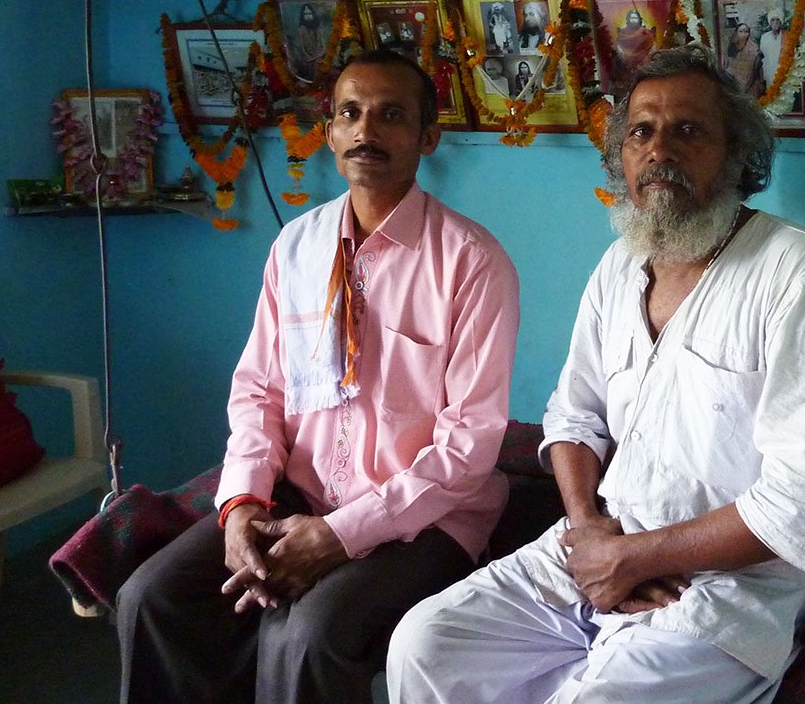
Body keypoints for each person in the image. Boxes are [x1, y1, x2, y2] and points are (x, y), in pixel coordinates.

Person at [389, 42, 805, 703]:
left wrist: (640, 558)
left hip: (728, 585)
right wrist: (591, 532)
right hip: (599, 544)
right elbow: (572, 416)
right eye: (641, 131)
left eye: (688, 130)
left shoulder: (797, 271)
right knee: (426, 642)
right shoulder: (621, 264)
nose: (659, 150)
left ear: (735, 154)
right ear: (620, 155)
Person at [116, 50, 520, 704]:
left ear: (427, 137)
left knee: (305, 634)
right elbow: (259, 390)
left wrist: (340, 535)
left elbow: (469, 447)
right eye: (351, 113)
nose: (367, 130)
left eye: (392, 115)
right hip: (300, 493)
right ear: (329, 131)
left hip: (425, 514)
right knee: (152, 597)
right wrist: (243, 503)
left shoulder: (472, 262)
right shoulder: (296, 246)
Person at [721, 22, 764, 98]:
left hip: (750, 87)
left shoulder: (754, 49)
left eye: (746, 31)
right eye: (741, 31)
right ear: (736, 33)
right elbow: (726, 66)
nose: (743, 34)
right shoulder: (731, 47)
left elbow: (757, 70)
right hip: (732, 84)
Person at [289, 2, 329, 83]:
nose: (308, 16)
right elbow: (302, 48)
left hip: (321, 57)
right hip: (308, 60)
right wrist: (311, 58)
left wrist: (320, 55)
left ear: (313, 14)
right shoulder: (301, 29)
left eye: (309, 13)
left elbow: (323, 44)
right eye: (305, 14)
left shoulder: (318, 27)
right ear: (303, 16)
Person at [759, 9, 786, 83]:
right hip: (770, 72)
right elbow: (763, 56)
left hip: (784, 72)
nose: (775, 22)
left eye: (778, 19)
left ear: (781, 21)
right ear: (769, 22)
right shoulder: (764, 37)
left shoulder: (787, 36)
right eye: (772, 20)